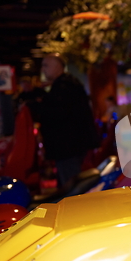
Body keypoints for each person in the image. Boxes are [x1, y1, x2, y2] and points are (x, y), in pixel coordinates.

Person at [31, 54, 100, 188]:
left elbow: (56, 113)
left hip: (68, 146)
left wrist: (35, 105)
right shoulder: (66, 84)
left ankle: (75, 209)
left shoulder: (64, 86)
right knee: (70, 183)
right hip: (70, 146)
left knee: (71, 187)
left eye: (46, 65)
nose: (42, 69)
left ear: (57, 67)